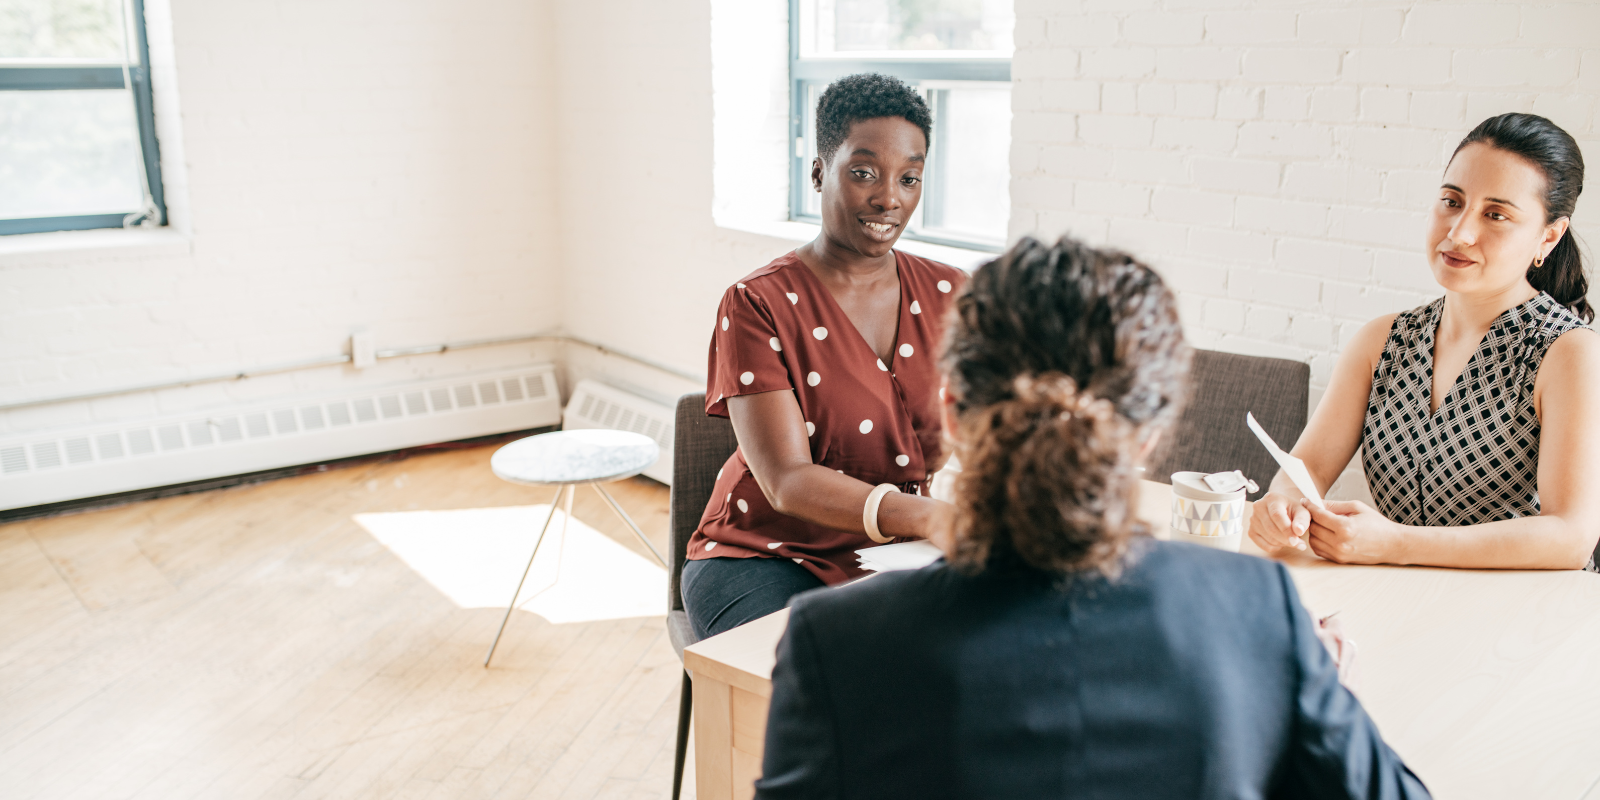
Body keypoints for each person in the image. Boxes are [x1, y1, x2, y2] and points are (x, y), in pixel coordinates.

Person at [754, 236, 1428, 799]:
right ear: (1153, 436)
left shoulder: (834, 642)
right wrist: (1316, 693)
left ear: (953, 412)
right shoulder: (1259, 613)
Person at [681, 73, 966, 640]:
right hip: (761, 556)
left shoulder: (954, 295)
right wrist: (936, 518)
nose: (889, 197)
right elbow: (787, 480)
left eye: (909, 178)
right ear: (818, 172)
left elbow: (994, 427)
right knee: (819, 690)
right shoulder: (756, 303)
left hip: (898, 554)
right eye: (864, 173)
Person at [1249, 113, 1600, 571]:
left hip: (1520, 622)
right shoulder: (1383, 341)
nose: (1459, 233)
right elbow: (1306, 468)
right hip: (1400, 600)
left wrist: (1395, 544)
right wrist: (1282, 507)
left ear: (1548, 237)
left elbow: (1570, 535)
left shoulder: (1569, 352)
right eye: (1452, 202)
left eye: (1496, 215)